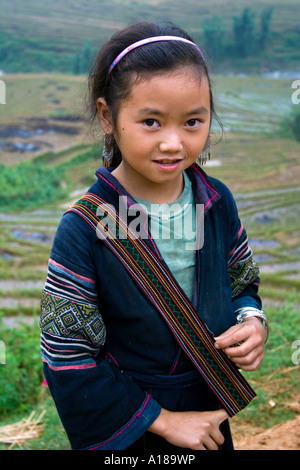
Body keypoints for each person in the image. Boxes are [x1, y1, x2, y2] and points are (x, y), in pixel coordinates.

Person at [40, 21, 269, 451]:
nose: (173, 142)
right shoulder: (86, 227)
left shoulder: (216, 201)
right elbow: (66, 355)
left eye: (192, 122)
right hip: (130, 422)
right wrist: (163, 422)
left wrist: (251, 320)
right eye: (151, 121)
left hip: (207, 408)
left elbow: (242, 283)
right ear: (108, 116)